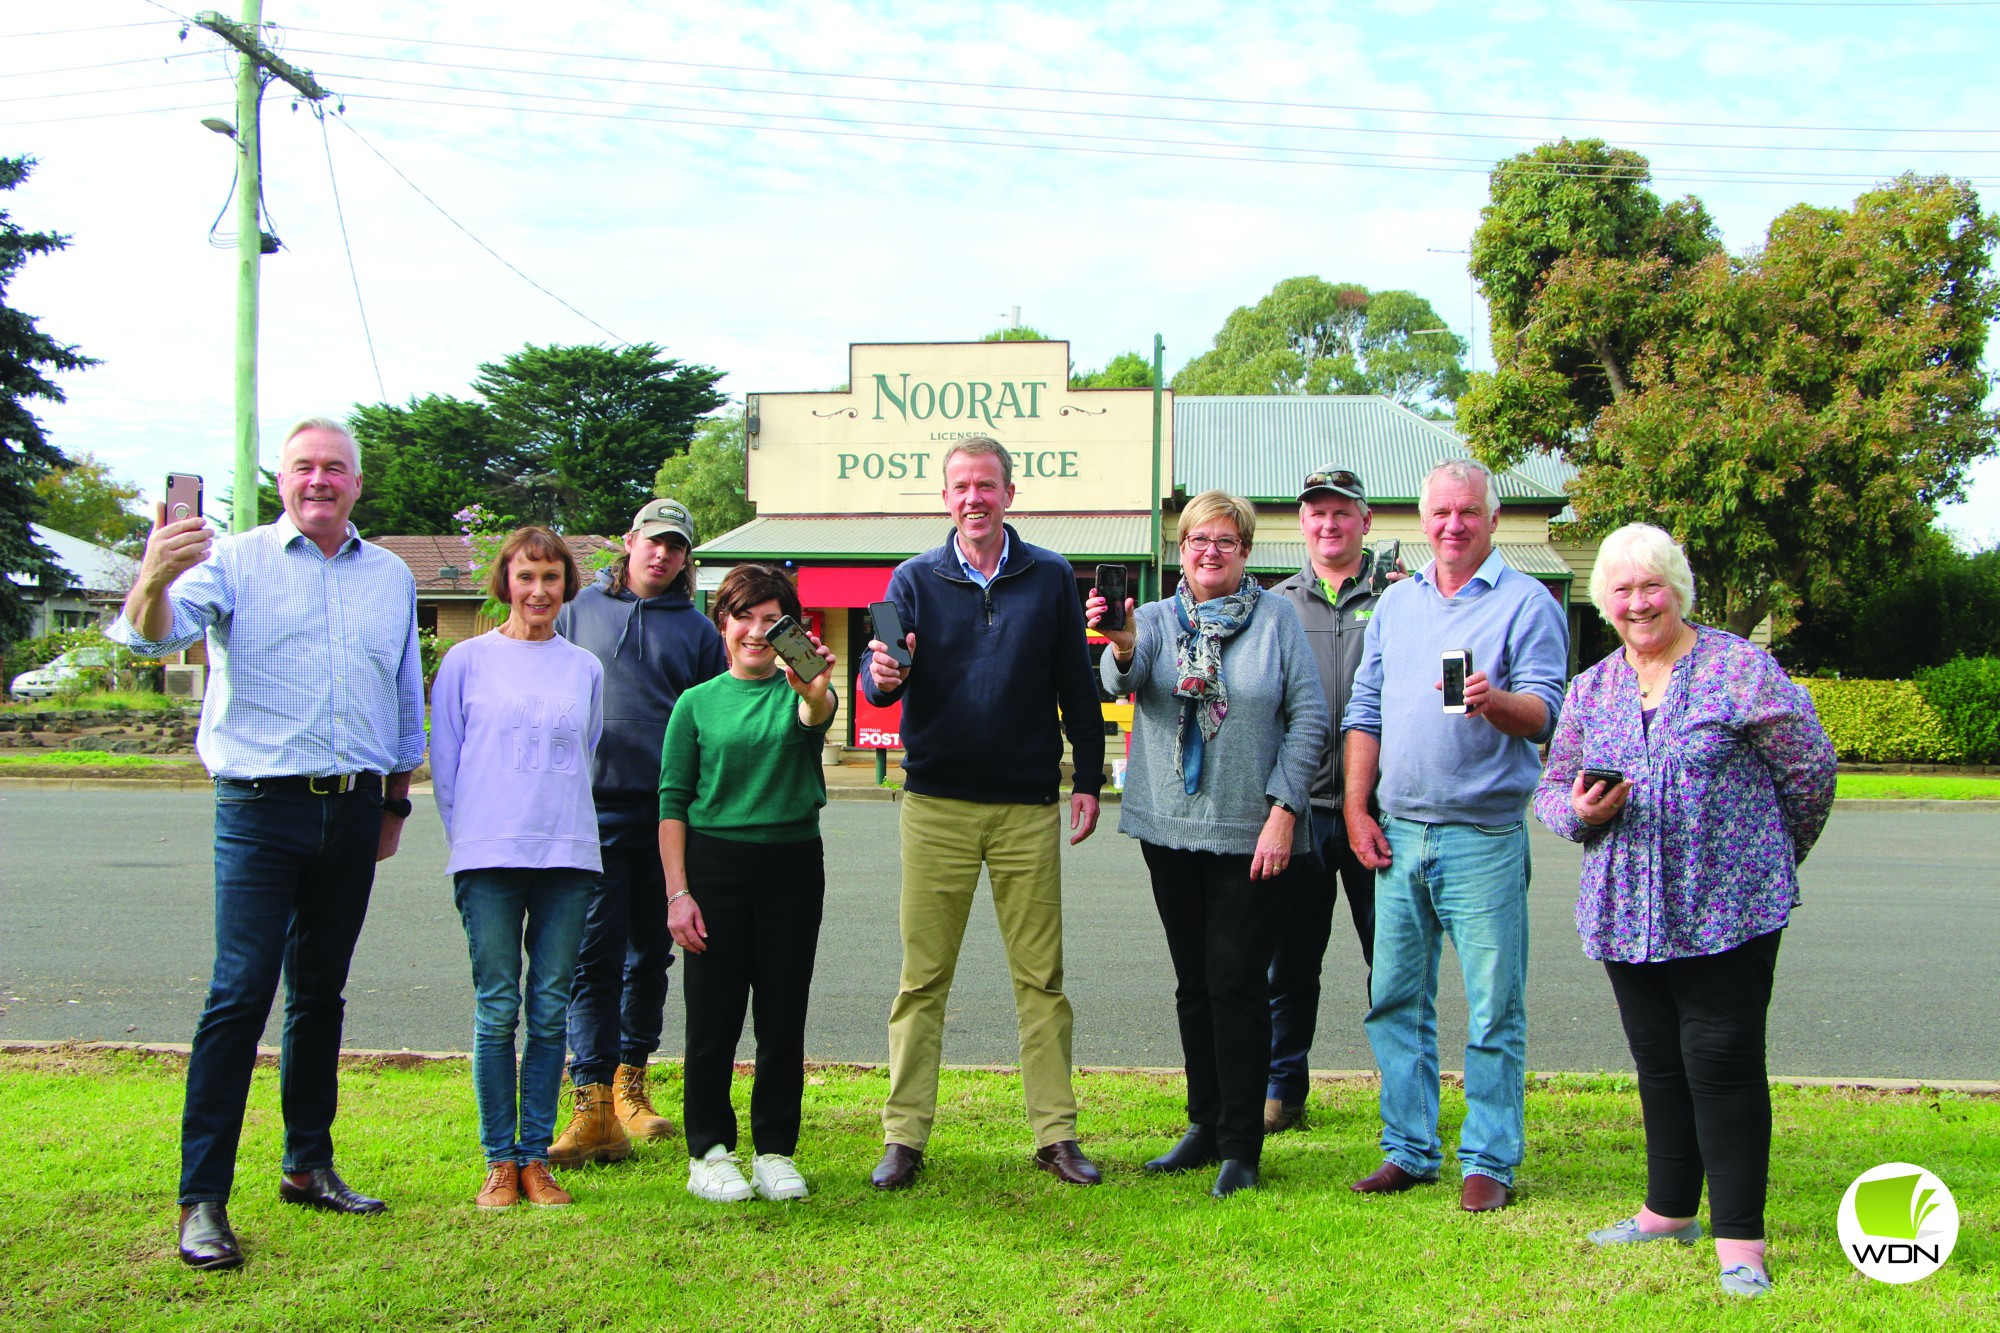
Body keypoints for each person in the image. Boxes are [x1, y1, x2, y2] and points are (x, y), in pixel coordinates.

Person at [108, 417, 424, 1271]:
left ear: (358, 483)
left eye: (335, 469)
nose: (319, 480)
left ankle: (307, 1163)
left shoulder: (391, 576)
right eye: (303, 468)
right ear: (281, 480)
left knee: (320, 992)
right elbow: (152, 636)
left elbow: (402, 698)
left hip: (354, 809)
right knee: (239, 994)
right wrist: (153, 576)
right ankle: (201, 1197)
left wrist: (394, 804)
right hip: (259, 806)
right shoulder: (234, 560)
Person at [1532, 523, 1835, 1299]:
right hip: (1625, 910)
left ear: (1677, 588)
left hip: (1726, 909)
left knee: (1723, 1064)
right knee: (1659, 1063)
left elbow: (1809, 768)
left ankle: (1741, 1242)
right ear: (1605, 601)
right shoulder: (1594, 687)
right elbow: (1550, 789)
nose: (1638, 602)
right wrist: (1581, 815)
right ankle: (1668, 1211)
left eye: (1651, 585)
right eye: (1623, 590)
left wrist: (1765, 855)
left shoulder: (1739, 667)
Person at [860, 435, 1107, 1190]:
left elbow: (1078, 685)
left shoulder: (1050, 576)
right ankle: (904, 1136)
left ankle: (1055, 1134)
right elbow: (881, 686)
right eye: (962, 486)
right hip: (936, 802)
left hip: (1027, 804)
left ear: (1009, 493)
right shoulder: (912, 579)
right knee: (922, 977)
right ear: (945, 497)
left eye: (988, 485)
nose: (975, 498)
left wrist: (1089, 777)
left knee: (1042, 979)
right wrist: (880, 677)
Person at [1342, 458, 1568, 1214]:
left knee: (1493, 1004)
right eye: (1439, 512)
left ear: (1492, 519)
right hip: (1398, 830)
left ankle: (1489, 1158)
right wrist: (1356, 807)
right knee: (1394, 998)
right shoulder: (1397, 605)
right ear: (1421, 516)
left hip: (1483, 836)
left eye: (1467, 511)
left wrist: (1494, 702)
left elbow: (1546, 713)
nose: (1452, 525)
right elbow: (1364, 709)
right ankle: (1408, 1148)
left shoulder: (1528, 604)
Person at [1091, 491, 1327, 1198]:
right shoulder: (1155, 619)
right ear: (1182, 548)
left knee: (1235, 980)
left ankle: (1241, 1146)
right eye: (1198, 539)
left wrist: (1285, 809)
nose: (1210, 552)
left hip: (1253, 833)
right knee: (1194, 981)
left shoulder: (1277, 618)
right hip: (1170, 827)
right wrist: (1124, 646)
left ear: (1246, 551)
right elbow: (1124, 681)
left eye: (1226, 540)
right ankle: (1204, 1122)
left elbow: (1310, 717)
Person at [430, 527, 604, 1211]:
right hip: (488, 855)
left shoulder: (583, 667)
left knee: (550, 1007)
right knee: (498, 1007)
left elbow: (584, 752)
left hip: (566, 854)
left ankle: (536, 1157)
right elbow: (446, 763)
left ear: (567, 586)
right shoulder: (467, 661)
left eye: (551, 578)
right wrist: (474, 836)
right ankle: (499, 1158)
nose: (538, 591)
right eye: (526, 576)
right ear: (505, 581)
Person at [550, 497, 726, 1165]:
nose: (662, 553)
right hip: (587, 813)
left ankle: (631, 1081)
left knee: (647, 956)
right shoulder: (576, 613)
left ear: (686, 557)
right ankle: (590, 1098)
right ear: (629, 541)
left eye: (676, 546)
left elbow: (711, 721)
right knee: (590, 957)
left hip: (665, 818)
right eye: (653, 540)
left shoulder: (700, 632)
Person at [660, 565, 838, 1204]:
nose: (758, 632)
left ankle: (774, 1150)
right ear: (723, 623)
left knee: (783, 1015)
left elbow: (817, 711)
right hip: (714, 868)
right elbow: (673, 802)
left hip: (792, 865)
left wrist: (813, 685)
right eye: (745, 617)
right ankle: (708, 1151)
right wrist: (679, 893)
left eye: (773, 620)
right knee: (713, 1018)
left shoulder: (802, 690)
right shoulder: (696, 703)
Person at [1263, 466, 1390, 1135]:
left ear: (1365, 521)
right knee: (1290, 963)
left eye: (1342, 512)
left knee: (1392, 959)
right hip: (1302, 810)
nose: (1328, 523)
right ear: (1303, 523)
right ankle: (1283, 1088)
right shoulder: (1275, 604)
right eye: (1317, 513)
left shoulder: (1401, 598)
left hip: (1380, 811)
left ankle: (1402, 1090)